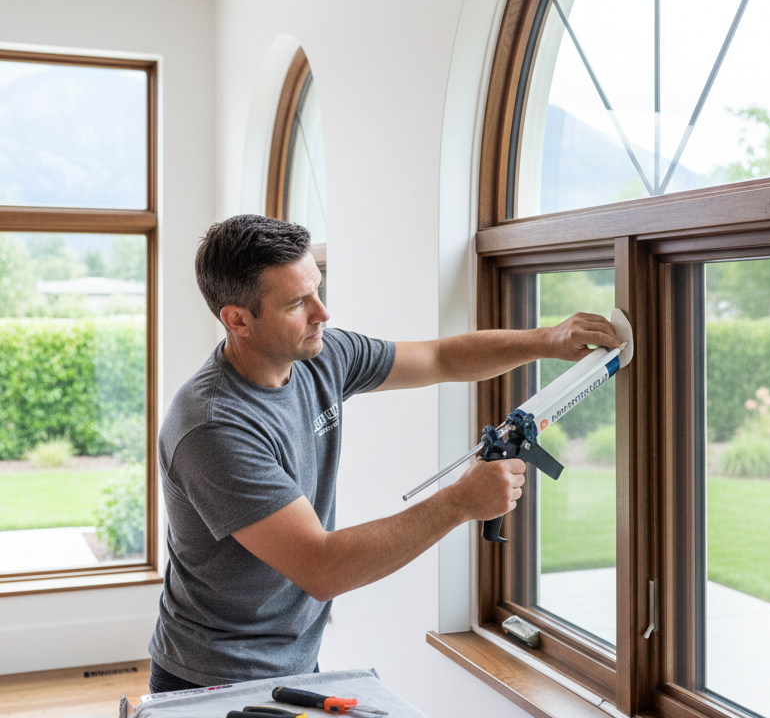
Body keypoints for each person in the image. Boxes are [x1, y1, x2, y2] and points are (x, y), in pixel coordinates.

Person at [148, 214, 619, 692]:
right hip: (209, 678)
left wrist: (547, 340)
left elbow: (440, 358)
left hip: (293, 659)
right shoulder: (214, 428)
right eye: (297, 303)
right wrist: (458, 502)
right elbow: (321, 566)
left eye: (318, 289)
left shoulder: (321, 356)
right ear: (238, 319)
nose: (322, 314)